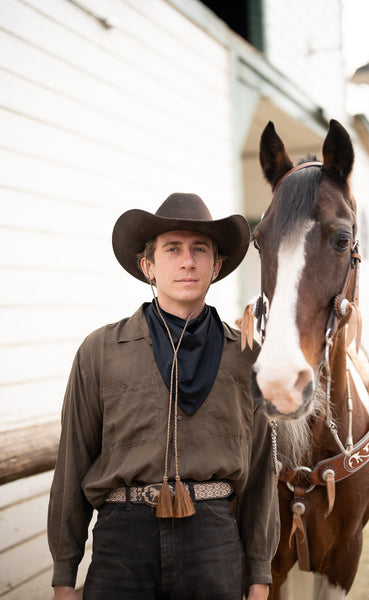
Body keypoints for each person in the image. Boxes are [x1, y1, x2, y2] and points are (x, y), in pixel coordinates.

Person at [48, 193, 280, 600]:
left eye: (199, 250)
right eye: (172, 249)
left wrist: (259, 574)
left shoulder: (246, 358)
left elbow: (261, 471)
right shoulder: (99, 351)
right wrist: (65, 574)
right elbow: (72, 463)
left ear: (216, 266)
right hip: (123, 542)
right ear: (149, 266)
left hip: (213, 542)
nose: (187, 261)